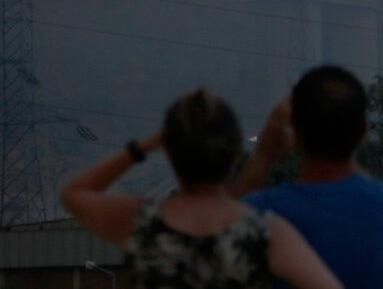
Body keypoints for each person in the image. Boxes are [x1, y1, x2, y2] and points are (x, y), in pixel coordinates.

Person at [61, 88, 343, 289]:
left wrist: (142, 147)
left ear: (169, 151)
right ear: (235, 154)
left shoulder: (143, 223)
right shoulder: (265, 232)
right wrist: (264, 158)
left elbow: (74, 193)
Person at [234, 66, 383, 289]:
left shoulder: (263, 213)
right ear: (364, 130)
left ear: (294, 131)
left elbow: (216, 246)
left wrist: (263, 156)